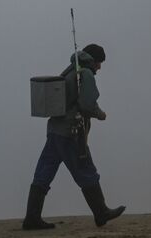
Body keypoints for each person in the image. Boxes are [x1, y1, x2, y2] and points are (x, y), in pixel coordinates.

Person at [22, 43, 127, 230]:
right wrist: (100, 114)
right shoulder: (85, 73)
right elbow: (87, 104)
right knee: (85, 168)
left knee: (44, 171)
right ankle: (101, 212)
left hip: (55, 130)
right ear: (93, 60)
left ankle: (32, 218)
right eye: (99, 63)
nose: (100, 67)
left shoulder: (70, 69)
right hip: (71, 132)